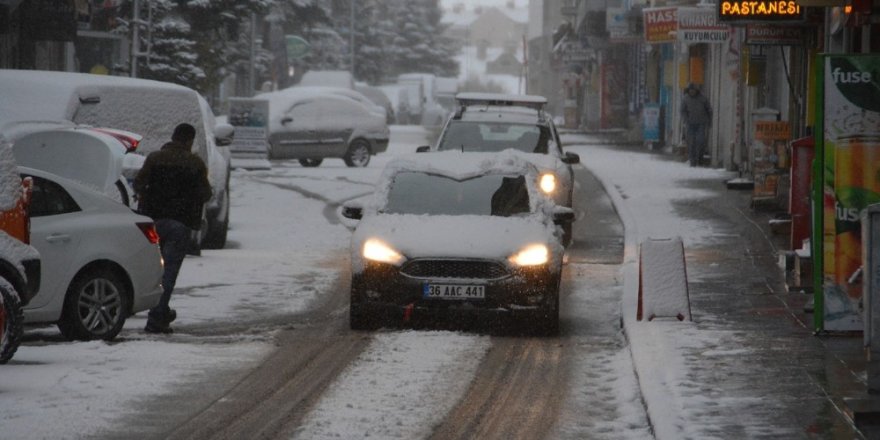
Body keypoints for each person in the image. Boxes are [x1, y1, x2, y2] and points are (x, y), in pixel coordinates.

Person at [134, 123, 212, 334]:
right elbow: (206, 194)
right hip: (179, 225)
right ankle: (157, 317)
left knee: (153, 270)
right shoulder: (195, 164)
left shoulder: (154, 158)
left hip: (152, 223)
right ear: (189, 141)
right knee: (168, 273)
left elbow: (138, 184)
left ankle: (160, 311)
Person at [680, 83, 712, 167]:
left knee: (701, 141)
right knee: (691, 143)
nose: (692, 92)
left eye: (693, 90)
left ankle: (700, 158)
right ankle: (692, 160)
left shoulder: (703, 98)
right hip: (690, 124)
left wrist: (709, 121)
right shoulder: (685, 99)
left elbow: (709, 109)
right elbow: (682, 111)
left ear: (696, 91)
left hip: (701, 123)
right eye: (690, 91)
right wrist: (686, 119)